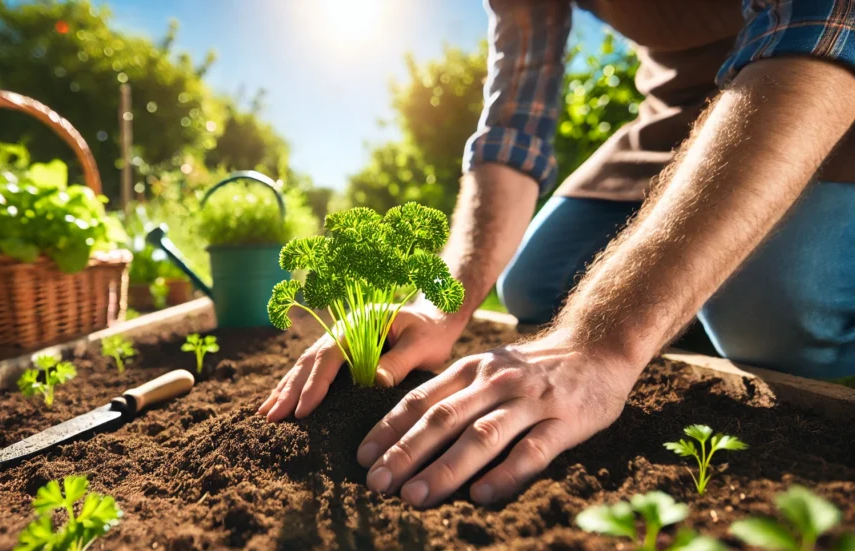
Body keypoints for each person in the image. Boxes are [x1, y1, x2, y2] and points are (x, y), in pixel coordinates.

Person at [260, 0, 855, 508]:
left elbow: (824, 22)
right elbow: (511, 131)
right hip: (680, 109)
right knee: (533, 285)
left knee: (764, 312)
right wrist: (441, 302)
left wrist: (603, 338)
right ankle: (690, 292)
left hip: (815, 82)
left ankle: (700, 301)